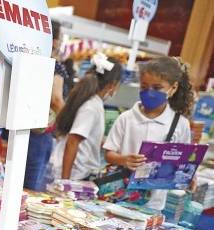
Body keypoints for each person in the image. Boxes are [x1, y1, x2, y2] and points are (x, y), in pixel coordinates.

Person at [103, 57, 194, 210]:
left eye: (157, 88)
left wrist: (190, 177)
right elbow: (109, 154)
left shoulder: (180, 124)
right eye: (144, 87)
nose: (149, 92)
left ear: (173, 88)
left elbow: (185, 162)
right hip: (120, 198)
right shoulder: (126, 118)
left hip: (154, 204)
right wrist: (124, 159)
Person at [52, 53, 122, 180]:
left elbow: (83, 135)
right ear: (113, 85)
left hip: (75, 172)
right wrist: (65, 182)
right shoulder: (91, 106)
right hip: (74, 174)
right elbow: (72, 141)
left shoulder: (90, 101)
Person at [24, 20, 68, 191]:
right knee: (31, 186)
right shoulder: (54, 66)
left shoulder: (28, 60)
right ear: (54, 41)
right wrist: (67, 123)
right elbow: (56, 99)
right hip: (40, 132)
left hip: (21, 127)